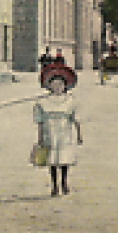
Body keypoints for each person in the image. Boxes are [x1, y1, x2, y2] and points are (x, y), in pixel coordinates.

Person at [34, 62, 83, 196]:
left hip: (65, 132)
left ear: (65, 86)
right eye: (54, 84)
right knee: (52, 160)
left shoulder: (70, 101)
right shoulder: (42, 102)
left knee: (64, 158)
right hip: (50, 132)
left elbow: (76, 119)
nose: (57, 87)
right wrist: (40, 138)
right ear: (49, 86)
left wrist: (79, 135)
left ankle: (64, 183)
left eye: (60, 85)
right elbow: (39, 122)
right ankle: (54, 185)